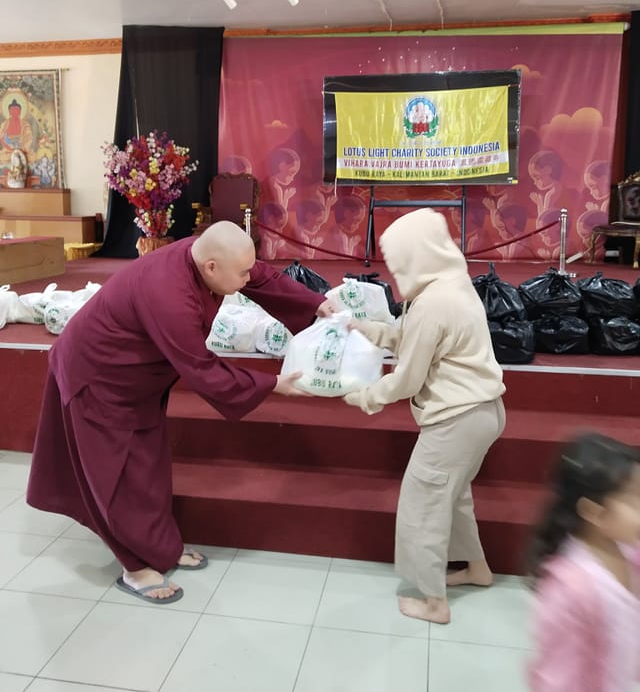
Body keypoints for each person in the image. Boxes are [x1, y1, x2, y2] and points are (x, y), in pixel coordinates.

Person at [27, 221, 335, 605]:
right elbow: (202, 369)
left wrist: (314, 303)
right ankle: (136, 567)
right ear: (211, 267)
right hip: (99, 377)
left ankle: (161, 548)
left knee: (149, 468)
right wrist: (272, 384)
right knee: (119, 476)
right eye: (241, 273)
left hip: (137, 378)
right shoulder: (169, 295)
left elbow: (259, 275)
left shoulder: (206, 255)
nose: (247, 278)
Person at [343, 208, 505, 624]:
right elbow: (410, 335)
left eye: (399, 261)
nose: (396, 271)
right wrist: (365, 328)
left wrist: (364, 397)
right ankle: (477, 568)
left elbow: (407, 379)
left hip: (456, 419)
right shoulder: (452, 283)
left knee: (424, 505)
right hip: (483, 413)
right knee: (454, 497)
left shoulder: (432, 303)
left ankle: (434, 602)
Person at [527, 432, 640, 691]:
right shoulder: (571, 591)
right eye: (634, 500)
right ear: (594, 512)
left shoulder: (629, 550)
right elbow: (557, 680)